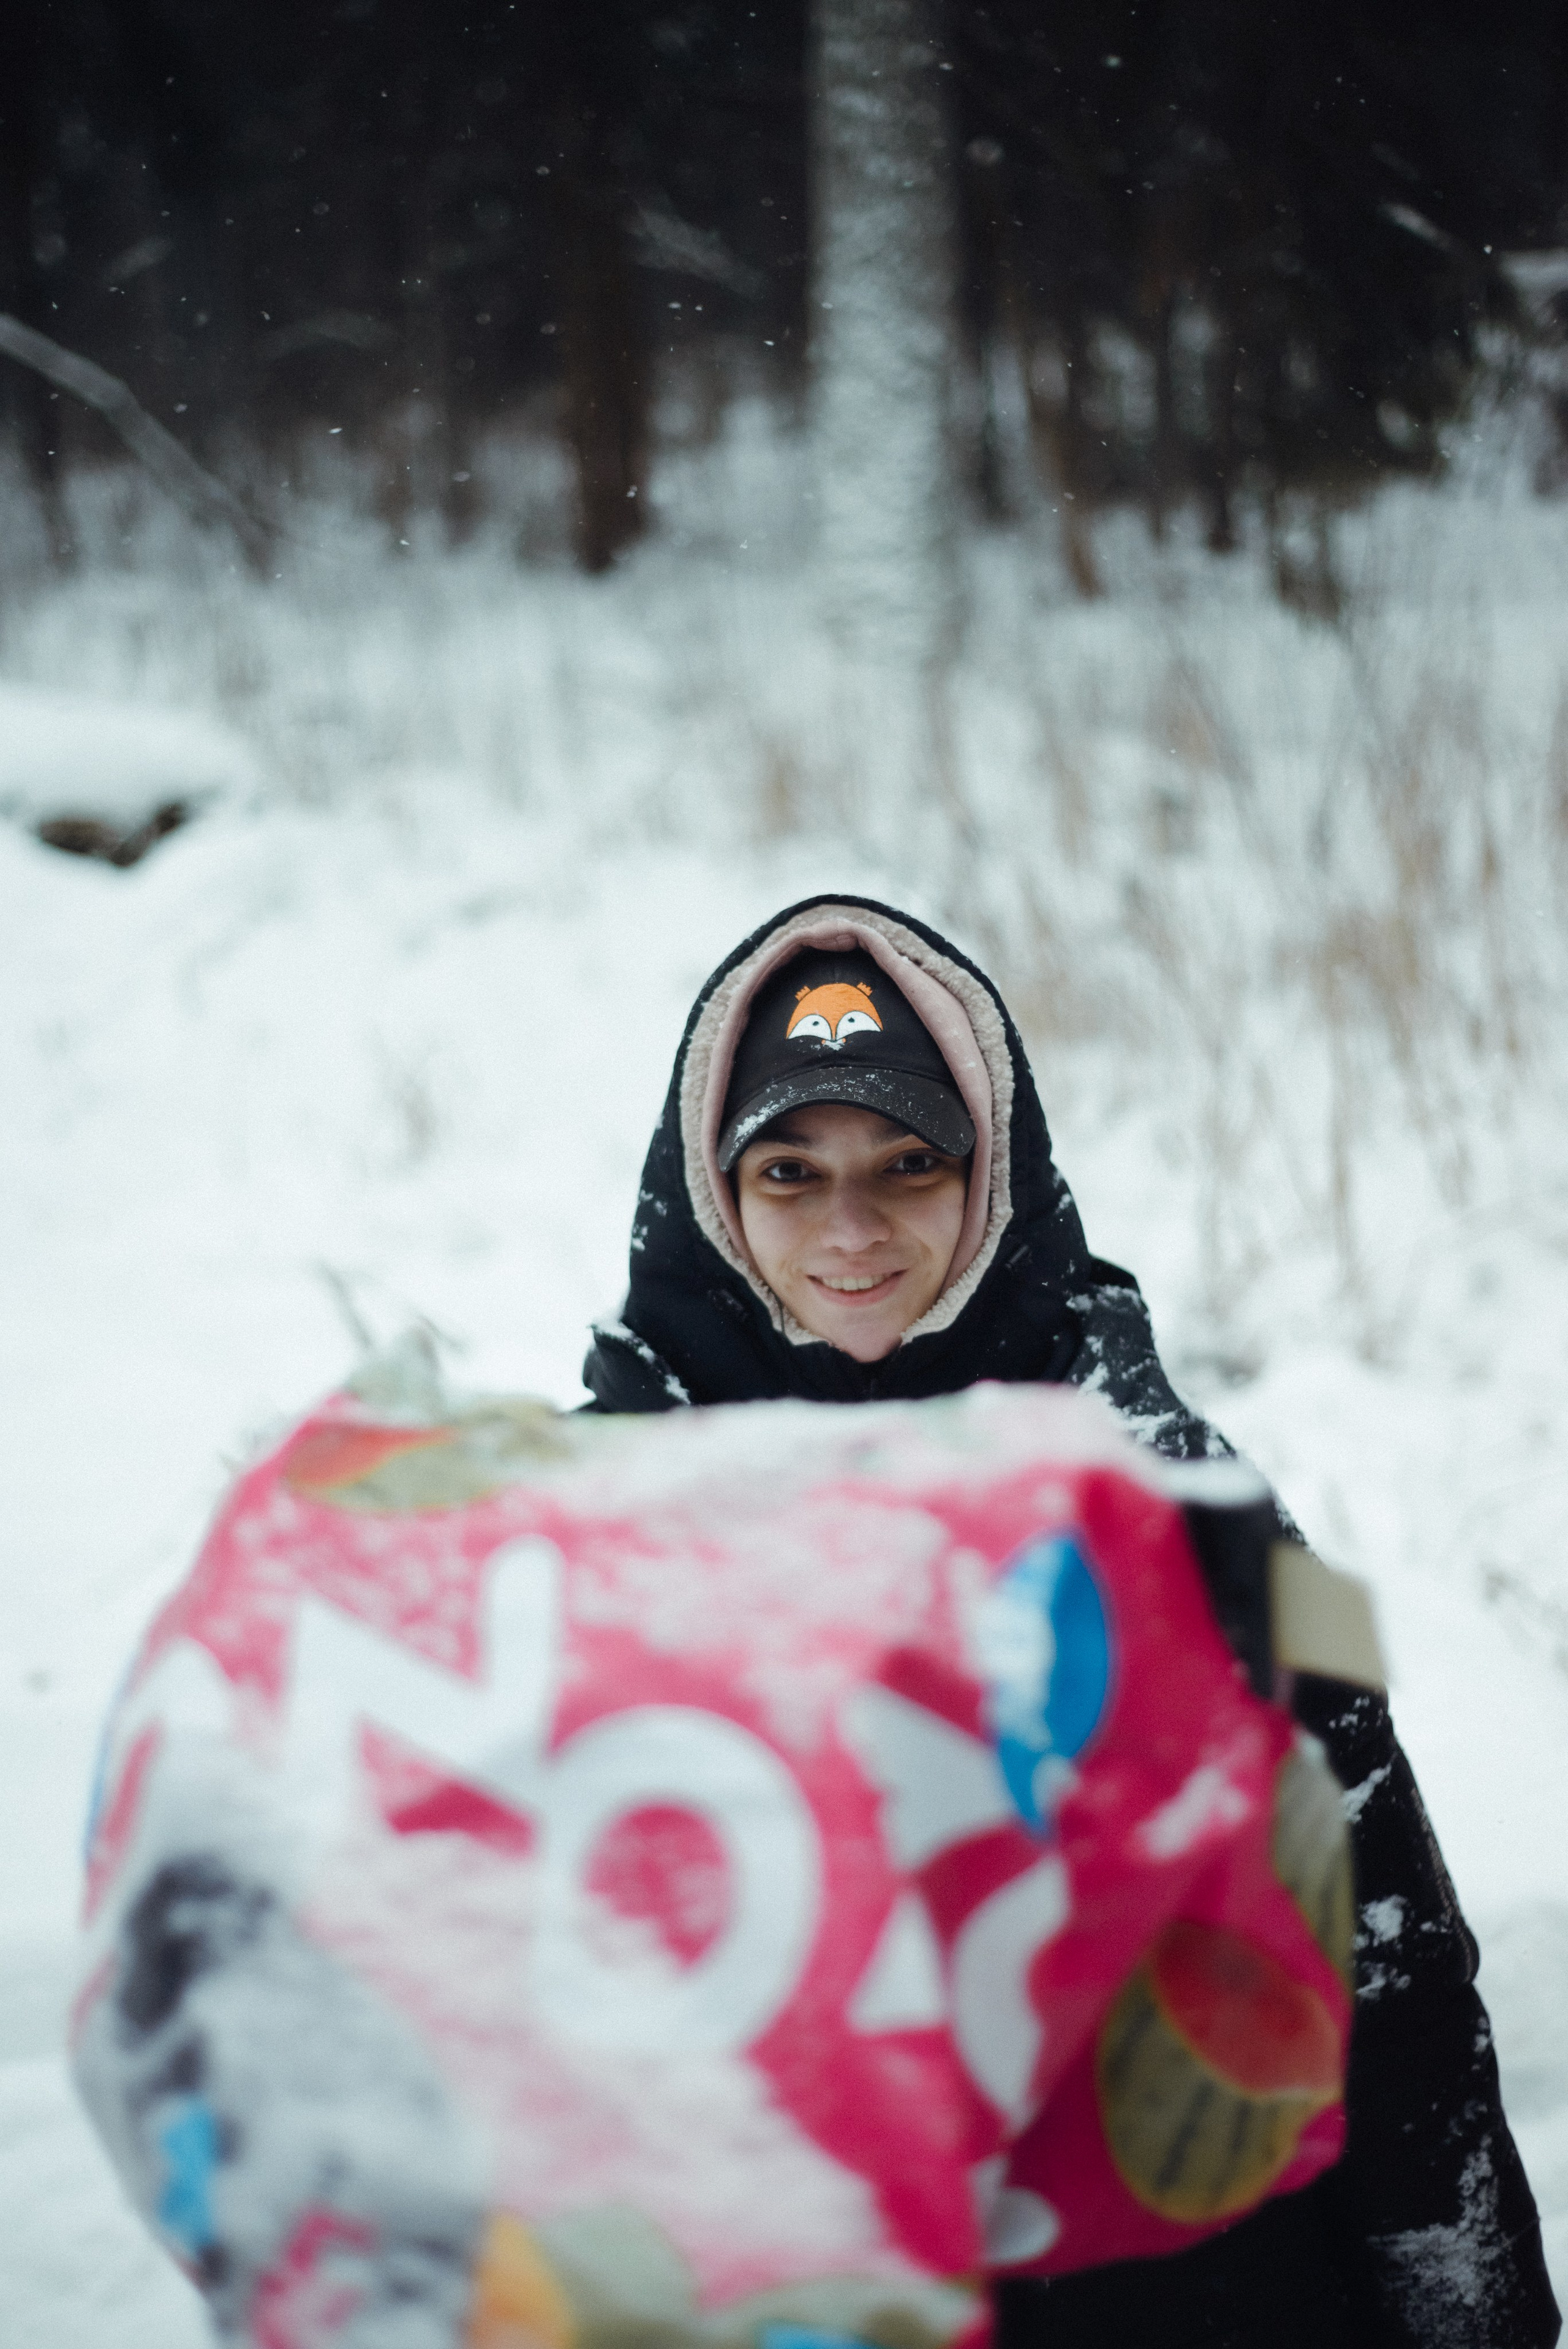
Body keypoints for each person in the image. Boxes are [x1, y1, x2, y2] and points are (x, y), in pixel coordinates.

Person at [582, 893, 1560, 2349]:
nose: (850, 1227)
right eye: (790, 1170)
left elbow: (1394, 1959)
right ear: (715, 1198)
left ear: (991, 1172)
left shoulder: (1200, 1508)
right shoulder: (588, 1539)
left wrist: (1470, 2321)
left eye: (908, 1162)